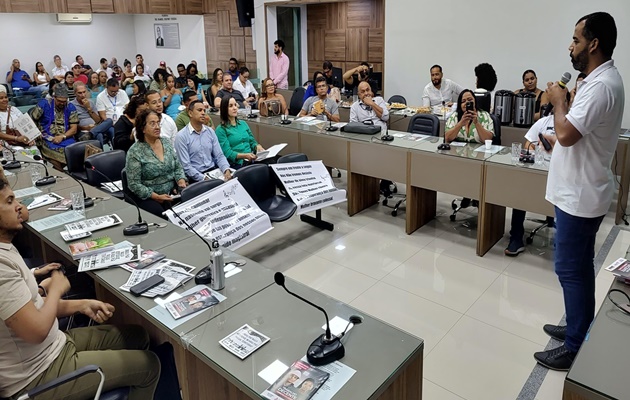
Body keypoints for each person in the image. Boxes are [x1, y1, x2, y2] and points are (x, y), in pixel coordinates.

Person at [0, 175, 161, 400]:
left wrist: (81, 304)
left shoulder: (5, 246)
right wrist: (55, 289)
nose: (18, 206)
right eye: (9, 202)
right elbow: (35, 331)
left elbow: (32, 308)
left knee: (139, 336)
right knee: (150, 366)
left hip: (55, 345)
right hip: (36, 375)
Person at [534, 12, 624, 371]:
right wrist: (561, 125)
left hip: (580, 195)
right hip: (578, 189)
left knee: (571, 270)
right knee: (578, 269)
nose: (571, 46)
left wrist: (558, 102)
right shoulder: (597, 80)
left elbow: (570, 133)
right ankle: (576, 326)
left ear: (594, 43)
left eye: (576, 39)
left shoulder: (601, 85)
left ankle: (574, 345)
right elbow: (574, 135)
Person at [126, 109, 187, 216]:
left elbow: (177, 166)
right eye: (152, 123)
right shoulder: (135, 152)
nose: (157, 127)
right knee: (162, 214)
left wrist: (181, 181)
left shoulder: (166, 142)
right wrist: (155, 196)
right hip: (149, 197)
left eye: (158, 123)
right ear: (142, 128)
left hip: (172, 192)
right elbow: (134, 184)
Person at [175, 100, 231, 183]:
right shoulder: (181, 136)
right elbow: (186, 166)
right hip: (196, 177)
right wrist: (204, 179)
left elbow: (219, 155)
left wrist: (226, 169)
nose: (203, 113)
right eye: (199, 110)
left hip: (213, 171)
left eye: (204, 110)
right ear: (190, 113)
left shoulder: (210, 132)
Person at [29, 85, 79, 169]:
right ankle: (60, 173)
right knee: (57, 160)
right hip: (47, 137)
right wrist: (36, 133)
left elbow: (74, 129)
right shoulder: (44, 104)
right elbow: (31, 120)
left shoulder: (70, 107)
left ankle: (63, 173)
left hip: (65, 137)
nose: (62, 103)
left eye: (64, 101)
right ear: (54, 97)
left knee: (75, 152)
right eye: (59, 101)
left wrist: (62, 136)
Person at [215, 97, 264, 169]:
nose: (235, 108)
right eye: (231, 106)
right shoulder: (221, 129)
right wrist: (245, 155)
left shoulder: (243, 124)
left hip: (252, 159)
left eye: (235, 105)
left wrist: (257, 146)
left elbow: (252, 141)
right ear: (224, 109)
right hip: (237, 164)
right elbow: (228, 153)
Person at [71, 82, 114, 146]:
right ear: (75, 93)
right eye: (80, 93)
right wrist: (86, 128)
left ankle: (117, 149)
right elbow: (73, 125)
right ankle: (100, 154)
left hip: (95, 127)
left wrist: (89, 108)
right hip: (83, 131)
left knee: (110, 121)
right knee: (98, 134)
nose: (83, 95)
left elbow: (98, 120)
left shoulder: (90, 103)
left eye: (84, 92)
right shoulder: (71, 105)